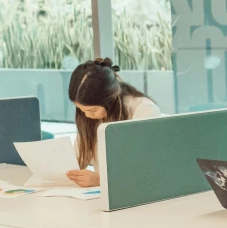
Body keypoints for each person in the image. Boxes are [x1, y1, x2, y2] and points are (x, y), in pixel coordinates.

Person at [66, 57, 161, 187]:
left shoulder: (143, 110)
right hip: (102, 198)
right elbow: (78, 157)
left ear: (109, 98)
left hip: (137, 193)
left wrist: (100, 179)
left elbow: (147, 168)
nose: (87, 115)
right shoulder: (89, 117)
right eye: (81, 110)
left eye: (92, 110)